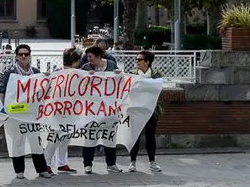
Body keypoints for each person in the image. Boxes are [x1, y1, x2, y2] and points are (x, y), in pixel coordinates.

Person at [0, 44, 52, 180]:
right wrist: (3, 110)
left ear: (29, 56)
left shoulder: (35, 71)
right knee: (18, 141)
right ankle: (19, 171)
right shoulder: (10, 72)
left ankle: (42, 169)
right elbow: (2, 91)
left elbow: (43, 90)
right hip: (15, 113)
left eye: (26, 54)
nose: (23, 56)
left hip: (32, 113)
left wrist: (46, 78)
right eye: (21, 54)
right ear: (16, 56)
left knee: (36, 142)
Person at [80, 45, 123, 174]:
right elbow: (79, 86)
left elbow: (120, 83)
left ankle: (111, 164)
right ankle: (87, 164)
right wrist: (86, 77)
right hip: (92, 109)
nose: (88, 59)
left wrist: (118, 75)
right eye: (87, 57)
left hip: (108, 109)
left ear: (99, 57)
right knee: (90, 137)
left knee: (109, 137)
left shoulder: (111, 65)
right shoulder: (86, 68)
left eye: (91, 57)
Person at [44, 48, 81, 175]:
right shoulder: (58, 73)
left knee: (65, 138)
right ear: (75, 61)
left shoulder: (75, 73)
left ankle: (62, 163)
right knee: (54, 138)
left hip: (69, 111)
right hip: (57, 111)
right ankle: (47, 164)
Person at [129, 50, 163, 173]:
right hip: (136, 110)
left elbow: (157, 90)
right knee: (135, 136)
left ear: (147, 62)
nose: (136, 61)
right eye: (136, 59)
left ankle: (152, 162)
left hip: (151, 110)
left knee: (150, 136)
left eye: (139, 59)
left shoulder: (156, 75)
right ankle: (132, 162)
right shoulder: (132, 74)